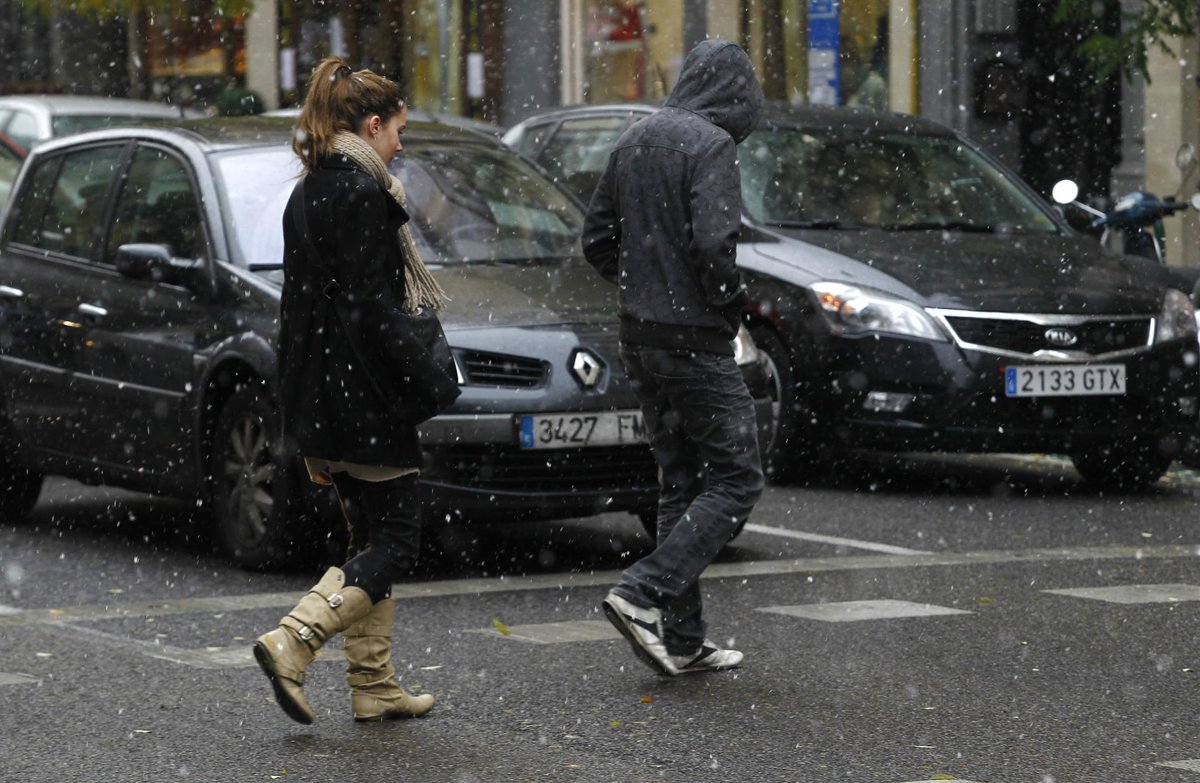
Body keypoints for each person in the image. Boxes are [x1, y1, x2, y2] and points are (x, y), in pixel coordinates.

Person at [253, 56, 451, 724]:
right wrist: (429, 379)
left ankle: (374, 683)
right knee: (397, 542)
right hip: (365, 398)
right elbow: (375, 311)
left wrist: (300, 405)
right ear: (372, 126)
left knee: (368, 538)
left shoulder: (307, 192)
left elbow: (301, 310)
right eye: (398, 131)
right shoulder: (364, 195)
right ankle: (295, 639)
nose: (400, 144)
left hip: (323, 395)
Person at [581, 39, 766, 676]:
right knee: (738, 477)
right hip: (694, 339)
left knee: (680, 479)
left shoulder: (634, 139)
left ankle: (683, 639)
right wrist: (727, 303)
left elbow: (596, 240)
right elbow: (715, 245)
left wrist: (642, 282)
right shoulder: (712, 145)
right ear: (736, 94)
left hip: (641, 337)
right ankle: (642, 593)